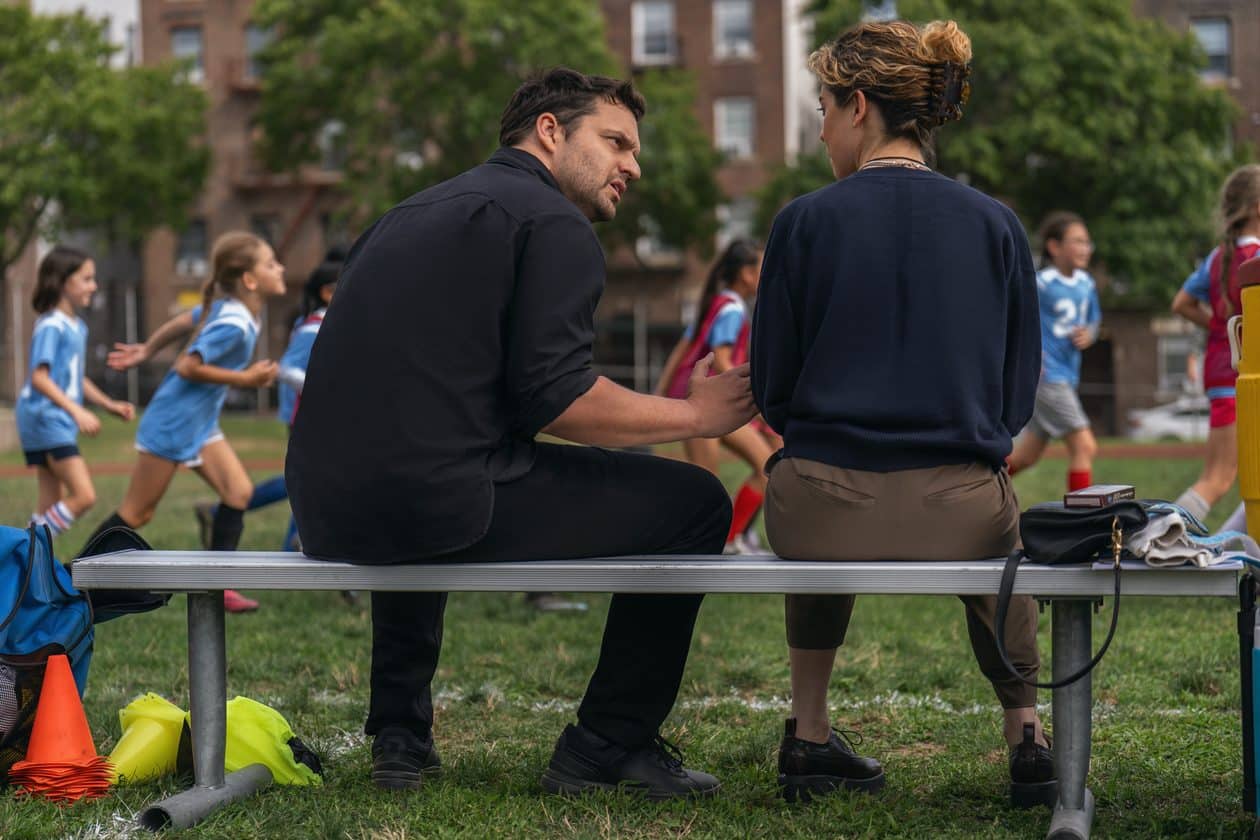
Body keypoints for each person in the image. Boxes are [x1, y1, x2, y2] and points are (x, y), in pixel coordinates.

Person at [286, 68, 755, 797]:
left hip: (325, 506)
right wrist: (698, 416)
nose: (633, 165)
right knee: (696, 501)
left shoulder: (404, 214)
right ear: (549, 131)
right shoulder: (552, 222)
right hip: (439, 500)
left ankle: (400, 739)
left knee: (432, 458)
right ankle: (607, 744)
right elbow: (558, 399)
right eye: (616, 142)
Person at [751, 19, 1054, 807]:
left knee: (810, 474)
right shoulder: (996, 224)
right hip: (960, 509)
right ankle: (1026, 734)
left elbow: (773, 388)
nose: (819, 128)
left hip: (817, 511)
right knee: (1003, 529)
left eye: (822, 107)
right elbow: (1018, 394)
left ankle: (809, 736)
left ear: (858, 106)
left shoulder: (802, 222)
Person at [85, 232, 285, 613]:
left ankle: (220, 586)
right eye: (272, 263)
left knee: (239, 493)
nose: (281, 269)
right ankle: (73, 579)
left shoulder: (233, 310)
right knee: (137, 512)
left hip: (200, 424)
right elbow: (187, 366)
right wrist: (246, 379)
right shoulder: (236, 324)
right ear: (250, 279)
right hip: (173, 422)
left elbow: (184, 320)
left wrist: (147, 348)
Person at [192, 248, 346, 554]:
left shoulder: (329, 323)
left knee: (315, 481)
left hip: (323, 418)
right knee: (311, 481)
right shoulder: (314, 327)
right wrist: (322, 391)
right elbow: (287, 368)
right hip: (309, 419)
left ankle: (296, 543)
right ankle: (294, 544)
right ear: (328, 292)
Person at [655, 238, 777, 554]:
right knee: (751, 470)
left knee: (727, 478)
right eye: (761, 267)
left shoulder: (715, 304)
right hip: (710, 405)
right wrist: (755, 401)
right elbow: (722, 361)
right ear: (746, 274)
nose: (765, 274)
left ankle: (730, 537)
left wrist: (661, 394)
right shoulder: (733, 309)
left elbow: (682, 350)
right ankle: (714, 539)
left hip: (697, 402)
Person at [15, 246, 135, 536]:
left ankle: (27, 562)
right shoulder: (51, 325)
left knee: (49, 504)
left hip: (54, 418)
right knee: (84, 496)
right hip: (46, 418)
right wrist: (76, 410)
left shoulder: (76, 327)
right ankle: (23, 549)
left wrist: (108, 405)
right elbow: (40, 378)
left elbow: (74, 378)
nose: (93, 286)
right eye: (86, 279)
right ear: (62, 281)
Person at [1170, 164, 1260, 524]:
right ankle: (1159, 538)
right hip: (1242, 380)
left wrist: (1221, 327)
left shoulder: (1217, 256)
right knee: (1218, 477)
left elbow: (1181, 303)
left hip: (1224, 372)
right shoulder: (1255, 257)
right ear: (1256, 207)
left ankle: (1236, 549)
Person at [1005, 212, 1101, 490]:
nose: (1085, 248)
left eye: (1087, 242)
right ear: (1054, 247)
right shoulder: (1040, 284)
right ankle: (1080, 525)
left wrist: (1090, 334)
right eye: (1077, 241)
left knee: (1026, 457)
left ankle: (976, 489)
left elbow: (1094, 321)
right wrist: (1029, 356)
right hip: (1048, 377)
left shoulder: (1087, 284)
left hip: (1067, 376)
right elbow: (1014, 318)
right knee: (1085, 447)